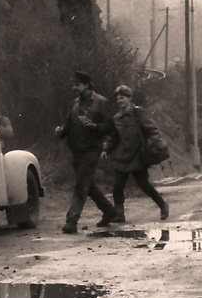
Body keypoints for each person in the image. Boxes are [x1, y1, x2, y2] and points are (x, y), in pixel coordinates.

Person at [54, 70, 118, 233]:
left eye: (77, 84)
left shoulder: (101, 102)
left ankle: (72, 221)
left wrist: (95, 127)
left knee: (81, 185)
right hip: (77, 150)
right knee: (88, 185)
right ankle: (109, 211)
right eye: (73, 84)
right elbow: (69, 124)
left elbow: (110, 126)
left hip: (91, 150)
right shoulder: (76, 103)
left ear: (87, 85)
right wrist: (61, 131)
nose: (74, 87)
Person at [102, 85, 171, 223]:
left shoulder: (139, 113)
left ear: (129, 98)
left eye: (122, 97)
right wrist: (106, 149)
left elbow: (151, 129)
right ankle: (119, 214)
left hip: (137, 156)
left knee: (144, 185)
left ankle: (162, 205)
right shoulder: (117, 118)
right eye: (118, 98)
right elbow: (113, 137)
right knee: (118, 186)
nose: (119, 100)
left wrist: (159, 145)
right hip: (122, 156)